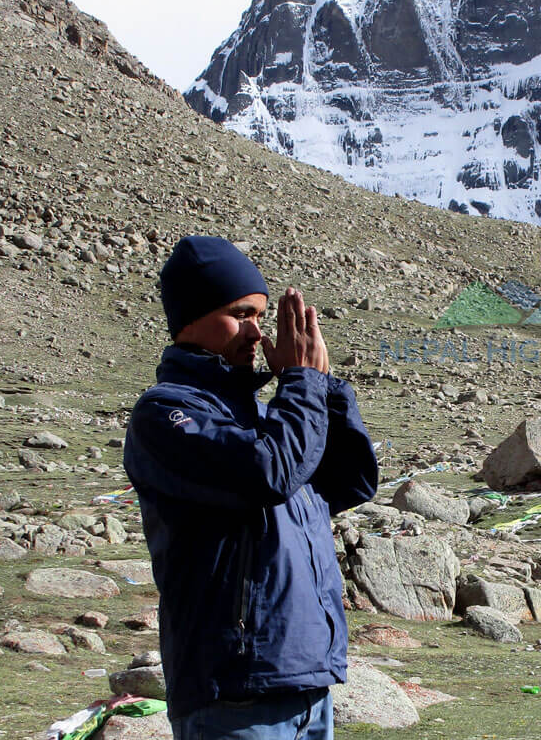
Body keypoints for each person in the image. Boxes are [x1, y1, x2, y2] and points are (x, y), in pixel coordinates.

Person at [124, 235, 378, 739]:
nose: (256, 333)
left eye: (261, 316)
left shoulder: (269, 418)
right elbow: (270, 473)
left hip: (306, 682)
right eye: (240, 314)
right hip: (234, 692)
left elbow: (349, 482)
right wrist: (301, 384)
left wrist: (324, 387)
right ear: (190, 319)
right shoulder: (165, 414)